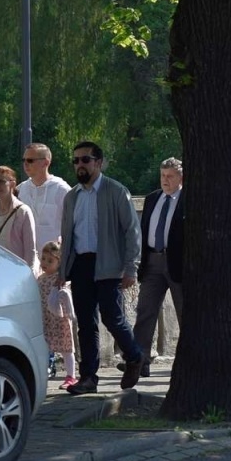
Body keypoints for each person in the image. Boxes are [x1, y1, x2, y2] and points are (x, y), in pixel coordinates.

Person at [58, 141, 144, 395]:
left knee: (112, 317)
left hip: (109, 263)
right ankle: (88, 378)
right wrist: (63, 270)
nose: (80, 165)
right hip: (81, 265)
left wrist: (131, 267)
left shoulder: (115, 191)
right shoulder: (72, 196)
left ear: (98, 162)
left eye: (85, 160)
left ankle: (134, 356)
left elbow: (132, 230)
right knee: (85, 322)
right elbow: (67, 234)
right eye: (75, 161)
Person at [133, 158, 185, 379]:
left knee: (186, 313)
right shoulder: (153, 198)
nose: (165, 180)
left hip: (178, 264)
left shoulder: (187, 199)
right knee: (145, 312)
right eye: (163, 175)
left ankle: (188, 362)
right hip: (152, 261)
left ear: (181, 177)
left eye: (170, 176)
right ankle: (139, 361)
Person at [36, 240, 78, 389]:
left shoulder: (60, 279)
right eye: (43, 259)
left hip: (60, 320)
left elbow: (66, 296)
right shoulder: (40, 279)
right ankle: (42, 374)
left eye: (50, 260)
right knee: (44, 348)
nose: (45, 263)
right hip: (45, 319)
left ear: (59, 263)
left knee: (67, 348)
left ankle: (71, 376)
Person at [0, 165, 37, 268]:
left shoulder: (23, 211)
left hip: (16, 268)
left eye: (1, 181)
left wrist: (29, 274)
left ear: (12, 184)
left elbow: (30, 249)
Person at [17, 143, 71, 251]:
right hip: (26, 256)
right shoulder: (20, 190)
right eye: (24, 160)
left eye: (30, 160)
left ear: (46, 162)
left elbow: (73, 225)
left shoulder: (62, 190)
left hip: (53, 259)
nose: (26, 164)